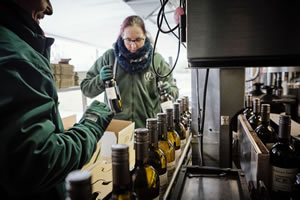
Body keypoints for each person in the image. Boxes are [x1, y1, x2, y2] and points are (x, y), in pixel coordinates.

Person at [0, 0, 114, 199]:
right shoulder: (15, 55)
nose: (49, 9)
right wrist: (94, 119)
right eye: (129, 39)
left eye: (138, 40)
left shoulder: (18, 47)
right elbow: (38, 163)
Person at [81, 15, 179, 128]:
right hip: (117, 127)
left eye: (138, 40)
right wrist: (100, 80)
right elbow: (86, 89)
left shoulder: (156, 60)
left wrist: (170, 90)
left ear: (145, 36)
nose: (133, 45)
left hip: (149, 128)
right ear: (122, 37)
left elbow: (175, 92)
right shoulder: (110, 58)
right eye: (128, 40)